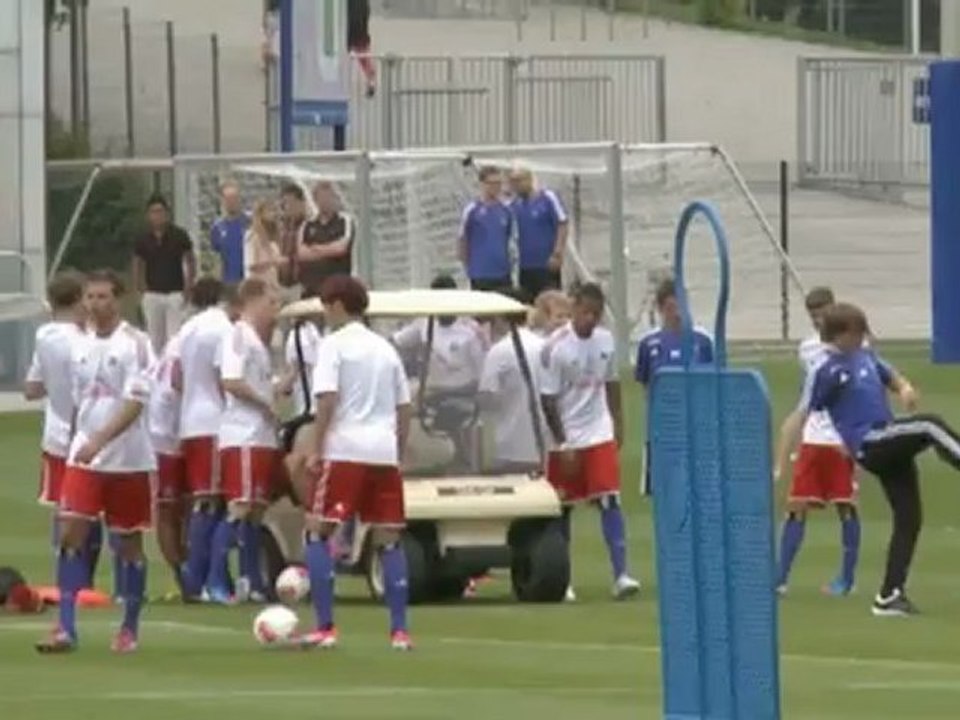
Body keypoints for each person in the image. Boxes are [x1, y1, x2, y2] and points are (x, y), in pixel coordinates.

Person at [788, 302, 960, 617]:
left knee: (909, 517)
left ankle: (889, 595)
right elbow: (802, 412)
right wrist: (790, 453)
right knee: (930, 425)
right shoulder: (825, 370)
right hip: (870, 441)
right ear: (842, 335)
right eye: (858, 331)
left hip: (887, 437)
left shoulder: (865, 357)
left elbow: (892, 377)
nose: (864, 335)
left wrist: (905, 389)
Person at [36, 270, 155, 654]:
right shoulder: (77, 345)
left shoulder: (136, 343)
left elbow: (135, 402)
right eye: (90, 297)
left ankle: (129, 628)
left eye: (103, 296)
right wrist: (76, 440)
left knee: (128, 543)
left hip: (127, 459)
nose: (95, 304)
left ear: (117, 300)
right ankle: (65, 628)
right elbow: (77, 399)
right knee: (71, 533)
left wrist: (101, 439)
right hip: (83, 456)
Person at [296, 275, 413, 650]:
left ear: (336, 305)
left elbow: (327, 400)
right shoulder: (386, 348)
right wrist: (397, 448)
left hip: (346, 449)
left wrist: (315, 448)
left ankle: (325, 626)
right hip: (383, 452)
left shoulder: (333, 345)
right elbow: (404, 407)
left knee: (318, 530)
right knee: (389, 538)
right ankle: (399, 631)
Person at [540, 282, 640, 602]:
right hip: (567, 436)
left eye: (596, 314)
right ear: (574, 309)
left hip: (598, 431)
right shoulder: (555, 347)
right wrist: (564, 442)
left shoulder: (606, 341)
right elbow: (548, 401)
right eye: (585, 312)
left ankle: (621, 574)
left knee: (610, 499)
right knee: (563, 509)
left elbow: (611, 383)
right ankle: (563, 580)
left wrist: (618, 422)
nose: (590, 319)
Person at [774, 287, 861, 597]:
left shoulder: (855, 346)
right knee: (796, 505)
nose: (817, 320)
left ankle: (846, 581)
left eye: (821, 314)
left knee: (846, 506)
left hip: (842, 438)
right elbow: (807, 393)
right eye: (812, 316)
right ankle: (779, 578)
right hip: (813, 436)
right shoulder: (808, 349)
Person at [24, 272, 105, 589]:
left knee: (63, 506)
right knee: (90, 509)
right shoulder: (83, 341)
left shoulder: (44, 335)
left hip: (54, 435)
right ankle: (83, 581)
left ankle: (67, 578)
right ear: (78, 300)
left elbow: (32, 388)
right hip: (82, 433)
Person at [206, 278, 281, 604]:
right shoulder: (238, 335)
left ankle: (251, 581)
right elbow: (231, 381)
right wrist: (264, 403)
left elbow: (257, 383)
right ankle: (214, 580)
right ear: (252, 301)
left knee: (256, 511)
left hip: (261, 435)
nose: (275, 311)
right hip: (243, 434)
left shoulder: (257, 342)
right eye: (271, 304)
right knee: (240, 506)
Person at [175, 278, 238, 599]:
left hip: (191, 420)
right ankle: (211, 580)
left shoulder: (186, 329)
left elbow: (176, 377)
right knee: (220, 502)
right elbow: (224, 376)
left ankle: (196, 579)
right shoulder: (223, 329)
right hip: (215, 421)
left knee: (203, 500)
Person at [392, 274, 488, 467]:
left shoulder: (470, 330)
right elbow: (397, 342)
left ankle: (465, 461)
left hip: (463, 394)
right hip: (428, 392)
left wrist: (443, 392)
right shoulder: (424, 323)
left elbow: (480, 377)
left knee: (456, 414)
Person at [634, 278, 714, 495]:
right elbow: (645, 383)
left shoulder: (703, 340)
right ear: (661, 309)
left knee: (698, 483)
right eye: (671, 307)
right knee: (663, 486)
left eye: (681, 305)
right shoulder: (648, 343)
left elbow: (712, 381)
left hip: (695, 420)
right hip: (663, 423)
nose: (677, 313)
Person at [478, 288, 547, 473]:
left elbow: (486, 398)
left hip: (510, 447)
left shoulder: (499, 351)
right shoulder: (546, 345)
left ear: (501, 316)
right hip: (545, 445)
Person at [147, 330, 187, 596]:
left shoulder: (178, 341)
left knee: (182, 507)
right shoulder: (181, 347)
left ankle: (189, 570)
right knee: (169, 508)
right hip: (166, 437)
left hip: (174, 432)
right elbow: (176, 381)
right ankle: (182, 574)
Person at [132, 193, 196, 354]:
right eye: (153, 212)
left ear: (167, 214)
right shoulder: (143, 238)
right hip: (152, 293)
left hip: (175, 292)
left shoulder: (179, 235)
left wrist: (189, 286)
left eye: (160, 211)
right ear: (148, 215)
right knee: (155, 339)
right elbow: (138, 263)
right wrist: (141, 288)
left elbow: (190, 260)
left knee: (174, 337)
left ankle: (172, 371)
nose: (157, 216)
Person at [509, 166, 568, 301]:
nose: (516, 185)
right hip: (525, 266)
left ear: (529, 179)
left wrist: (557, 253)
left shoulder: (547, 198)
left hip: (546, 264)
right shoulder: (513, 205)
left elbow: (562, 223)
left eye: (519, 180)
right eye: (513, 182)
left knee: (551, 301)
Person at [459, 166, 513, 291]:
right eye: (492, 183)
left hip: (502, 272)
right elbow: (462, 239)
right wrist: (468, 267)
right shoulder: (472, 209)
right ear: (482, 184)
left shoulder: (506, 210)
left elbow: (509, 239)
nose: (496, 187)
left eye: (498, 183)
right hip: (480, 273)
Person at [298, 181, 355, 298]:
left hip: (338, 288)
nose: (325, 201)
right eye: (321, 197)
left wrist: (315, 248)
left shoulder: (344, 221)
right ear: (315, 200)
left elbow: (341, 248)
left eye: (328, 197)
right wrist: (329, 249)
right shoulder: (307, 224)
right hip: (312, 288)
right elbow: (302, 253)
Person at [209, 181, 250, 285]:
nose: (232, 202)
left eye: (235, 198)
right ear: (222, 201)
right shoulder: (217, 228)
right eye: (228, 199)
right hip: (227, 282)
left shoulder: (250, 223)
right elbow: (216, 258)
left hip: (248, 282)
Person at [244, 199, 285, 286]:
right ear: (260, 214)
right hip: (258, 284)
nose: (273, 214)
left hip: (273, 284)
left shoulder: (276, 236)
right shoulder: (252, 236)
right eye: (270, 210)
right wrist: (272, 262)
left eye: (274, 210)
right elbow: (251, 264)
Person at [279, 182, 308, 291]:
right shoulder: (281, 227)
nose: (287, 207)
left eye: (291, 203)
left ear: (301, 203)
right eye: (284, 203)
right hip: (281, 283)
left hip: (300, 284)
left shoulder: (309, 226)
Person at [348, 0, 376, 97]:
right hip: (359, 27)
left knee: (361, 53)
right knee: (363, 54)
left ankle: (371, 79)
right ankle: (371, 79)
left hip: (353, 26)